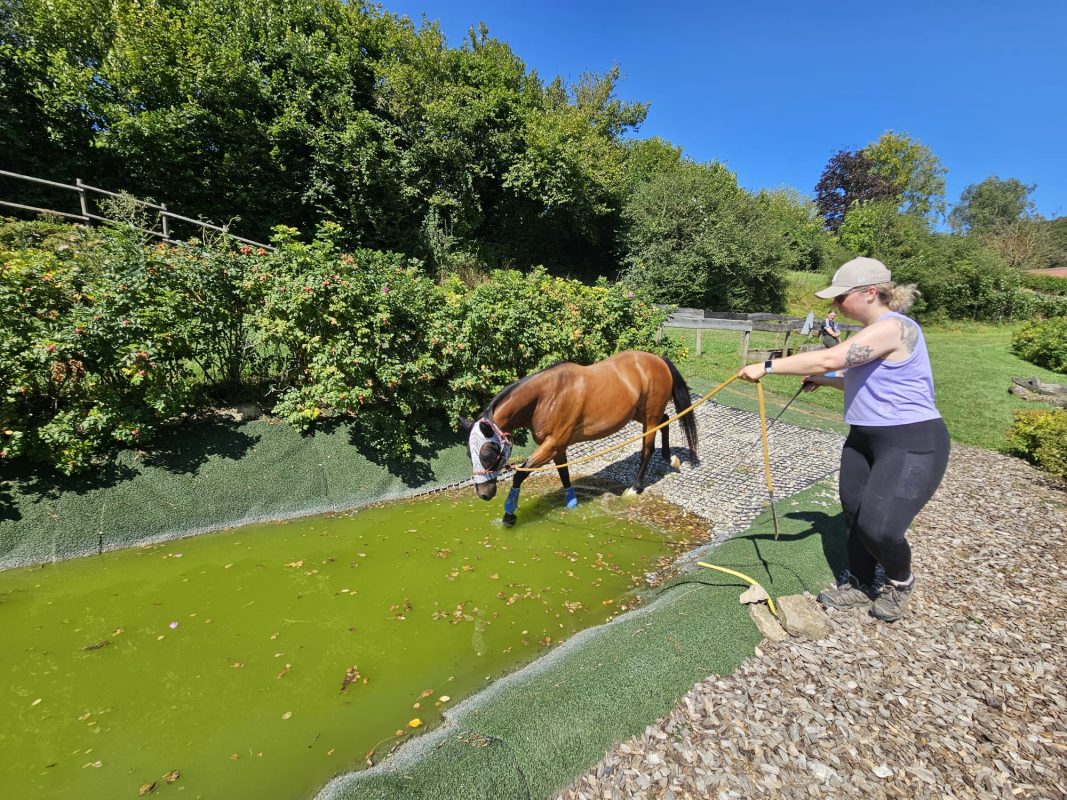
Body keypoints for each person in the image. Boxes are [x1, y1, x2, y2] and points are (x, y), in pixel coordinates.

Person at [737, 256, 949, 622]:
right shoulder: (869, 334)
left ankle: (901, 583)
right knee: (853, 512)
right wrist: (827, 381)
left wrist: (767, 366)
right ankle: (860, 583)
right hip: (864, 438)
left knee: (879, 527)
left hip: (911, 440)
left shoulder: (895, 327)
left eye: (840, 297)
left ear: (870, 293)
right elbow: (857, 374)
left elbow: (831, 357)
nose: (835, 305)